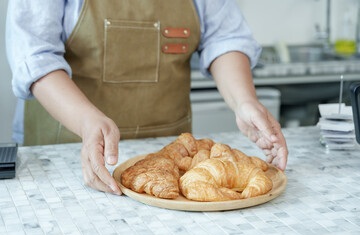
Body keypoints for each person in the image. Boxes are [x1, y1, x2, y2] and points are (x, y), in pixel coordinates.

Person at [6, 0, 288, 195]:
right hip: (69, 156)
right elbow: (34, 56)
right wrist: (86, 121)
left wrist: (244, 101)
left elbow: (225, 38)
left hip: (172, 168)